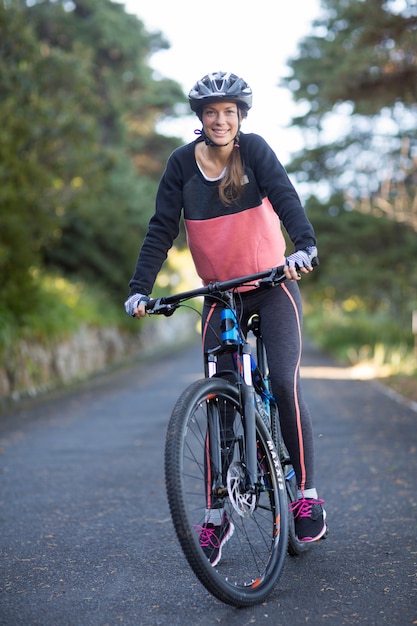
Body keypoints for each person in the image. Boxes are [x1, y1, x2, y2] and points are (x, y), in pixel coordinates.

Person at [125, 71, 327, 565]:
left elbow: (285, 197)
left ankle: (305, 492)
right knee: (219, 402)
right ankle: (217, 517)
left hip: (274, 287)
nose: (221, 119)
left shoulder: (253, 151)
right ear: (200, 119)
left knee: (282, 380)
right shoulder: (180, 166)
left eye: (229, 112)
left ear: (240, 117)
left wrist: (303, 246)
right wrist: (139, 289)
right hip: (219, 296)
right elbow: (161, 229)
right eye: (211, 112)